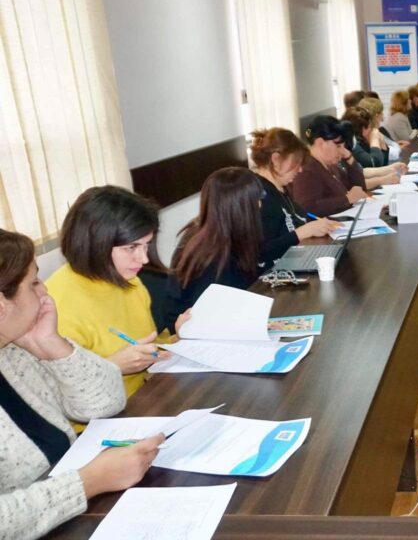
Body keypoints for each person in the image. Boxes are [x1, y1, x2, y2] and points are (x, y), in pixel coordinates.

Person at [0, 228, 163, 539]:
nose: (44, 290)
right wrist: (89, 481)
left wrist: (52, 343)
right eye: (33, 283)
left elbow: (105, 402)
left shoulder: (13, 350)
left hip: (70, 518)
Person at [46, 186, 181, 397]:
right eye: (131, 247)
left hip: (146, 395)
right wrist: (113, 367)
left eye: (146, 245)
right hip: (103, 410)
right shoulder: (55, 306)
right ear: (96, 243)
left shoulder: (129, 280)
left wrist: (178, 341)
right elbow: (61, 394)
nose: (144, 259)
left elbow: (149, 349)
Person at [166, 168, 264, 325]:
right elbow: (208, 318)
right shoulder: (213, 257)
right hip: (197, 330)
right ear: (240, 208)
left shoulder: (207, 233)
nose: (259, 205)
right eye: (256, 200)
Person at [249, 127, 339, 270]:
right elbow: (260, 252)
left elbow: (299, 217)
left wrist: (317, 225)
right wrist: (302, 232)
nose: (300, 170)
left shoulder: (280, 188)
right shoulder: (260, 196)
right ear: (276, 159)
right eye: (296, 163)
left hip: (293, 261)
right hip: (274, 273)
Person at [291, 116, 374, 217]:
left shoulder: (330, 165)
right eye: (338, 146)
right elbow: (306, 208)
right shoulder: (306, 170)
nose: (342, 151)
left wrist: (349, 158)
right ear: (320, 143)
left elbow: (358, 188)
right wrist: (347, 199)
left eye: (343, 146)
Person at [342, 106, 408, 179]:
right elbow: (374, 163)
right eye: (370, 126)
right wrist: (374, 140)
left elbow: (382, 165)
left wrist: (382, 145)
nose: (372, 129)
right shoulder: (352, 143)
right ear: (363, 128)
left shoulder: (362, 141)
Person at [358, 96, 408, 165]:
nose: (382, 116)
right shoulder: (371, 134)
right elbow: (393, 154)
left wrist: (396, 145)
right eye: (381, 112)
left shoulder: (379, 130)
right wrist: (397, 147)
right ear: (377, 116)